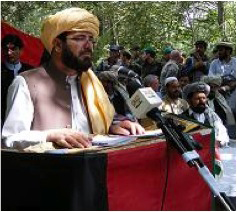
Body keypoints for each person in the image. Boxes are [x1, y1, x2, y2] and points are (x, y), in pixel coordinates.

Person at [2, 7, 145, 150]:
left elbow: (95, 128)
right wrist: (49, 136)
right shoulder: (26, 83)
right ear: (58, 45)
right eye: (79, 38)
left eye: (90, 39)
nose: (88, 45)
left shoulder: (90, 84)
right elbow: (9, 139)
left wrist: (114, 126)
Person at [181, 82, 229, 147]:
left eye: (204, 98)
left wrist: (218, 142)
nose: (202, 101)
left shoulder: (211, 115)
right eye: (197, 99)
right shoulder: (183, 118)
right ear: (189, 101)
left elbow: (222, 132)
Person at [1, 34, 33, 126]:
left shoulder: (31, 71)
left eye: (13, 49)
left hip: (26, 120)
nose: (9, 53)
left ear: (21, 50)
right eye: (6, 49)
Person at [208, 42, 236, 116]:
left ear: (228, 51)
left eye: (221, 50)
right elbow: (211, 80)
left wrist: (228, 86)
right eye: (218, 50)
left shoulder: (235, 62)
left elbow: (234, 82)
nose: (218, 52)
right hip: (218, 94)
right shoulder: (214, 63)